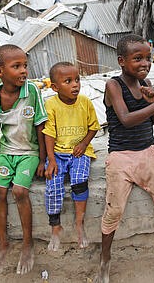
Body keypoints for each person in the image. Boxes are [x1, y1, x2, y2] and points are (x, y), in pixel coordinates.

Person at [96, 34, 154, 282]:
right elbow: (126, 119)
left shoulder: (147, 83)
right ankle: (105, 257)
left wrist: (153, 102)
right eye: (137, 59)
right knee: (114, 210)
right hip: (121, 155)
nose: (145, 63)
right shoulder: (113, 85)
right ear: (122, 61)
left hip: (147, 150)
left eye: (147, 58)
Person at [0, 44, 47, 275]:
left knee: (20, 192)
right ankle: (3, 243)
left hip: (29, 154)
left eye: (25, 65)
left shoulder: (32, 92)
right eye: (17, 66)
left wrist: (43, 161)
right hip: (6, 154)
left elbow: (41, 127)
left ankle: (27, 243)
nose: (24, 70)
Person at [42, 61, 100, 251]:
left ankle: (79, 223)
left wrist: (83, 144)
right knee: (53, 184)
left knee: (79, 180)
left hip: (79, 152)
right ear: (55, 87)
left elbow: (93, 127)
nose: (75, 84)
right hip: (58, 153)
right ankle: (55, 226)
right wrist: (50, 159)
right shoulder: (51, 105)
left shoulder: (85, 102)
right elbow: (48, 133)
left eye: (77, 79)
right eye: (68, 81)